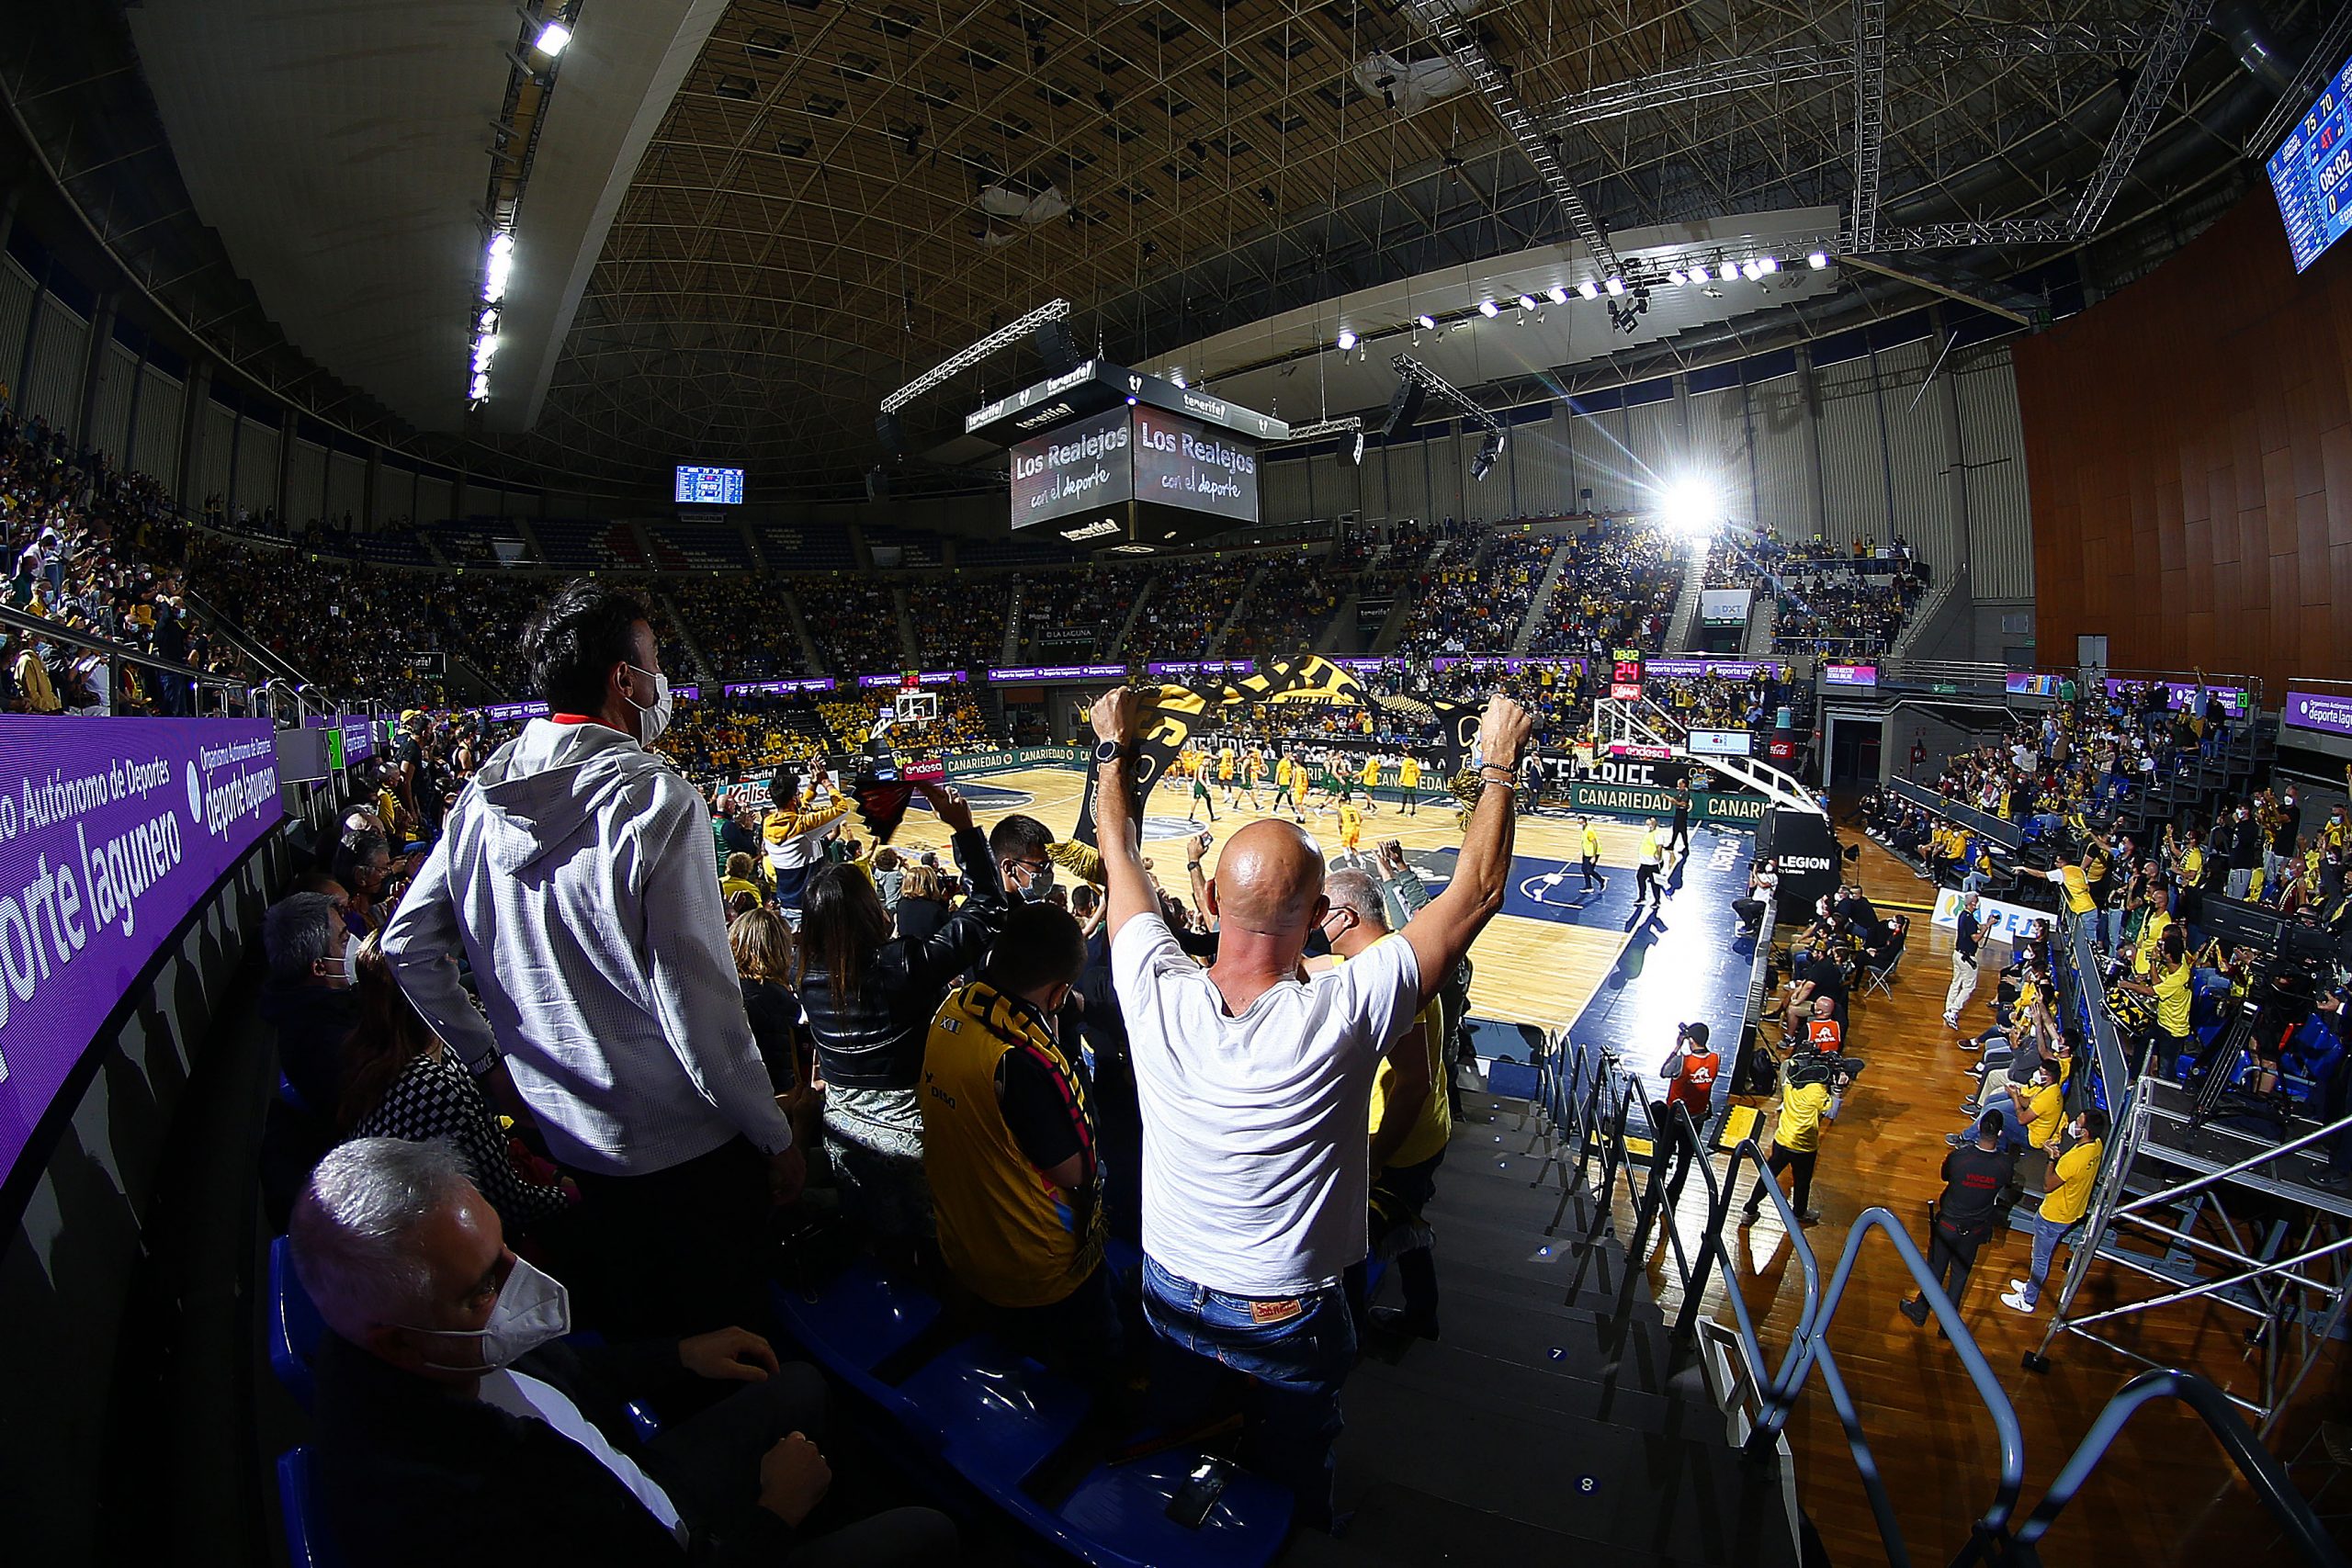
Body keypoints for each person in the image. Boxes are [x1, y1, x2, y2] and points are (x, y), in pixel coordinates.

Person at [1089, 684, 1532, 1530]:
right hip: (1284, 1309)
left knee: (1173, 1446)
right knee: (1292, 1477)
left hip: (1170, 1285)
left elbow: (1119, 857)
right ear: (1319, 917)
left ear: (1209, 905)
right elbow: (1475, 892)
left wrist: (1113, 748)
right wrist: (1498, 761)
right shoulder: (1342, 1012)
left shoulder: (1151, 988)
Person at [382, 580, 800, 1336]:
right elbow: (701, 1015)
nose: (663, 677)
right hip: (685, 1152)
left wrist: (487, 1060)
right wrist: (774, 1136)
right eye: (656, 659)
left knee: (647, 1335)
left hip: (568, 1137)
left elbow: (406, 943)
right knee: (733, 1335)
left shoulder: (482, 794)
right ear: (623, 679)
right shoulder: (659, 801)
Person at [290, 1139, 956, 1568]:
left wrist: (680, 1353)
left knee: (800, 1382)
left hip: (630, 1482)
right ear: (397, 1341)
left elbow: (561, 1381)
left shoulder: (430, 1342)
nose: (519, 1279)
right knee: (926, 1532)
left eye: (504, 1248)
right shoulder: (448, 1514)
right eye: (486, 1283)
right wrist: (774, 1516)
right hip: (673, 1539)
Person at [919, 900, 1119, 1387]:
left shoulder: (951, 1009)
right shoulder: (1022, 1060)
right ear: (1058, 993)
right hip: (1034, 1268)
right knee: (1098, 1359)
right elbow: (1074, 1171)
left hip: (963, 1244)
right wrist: (1068, 1058)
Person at [799, 783, 1004, 1251]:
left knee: (878, 1246)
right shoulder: (901, 965)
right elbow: (988, 909)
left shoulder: (804, 975)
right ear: (869, 910)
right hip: (913, 1140)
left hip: (844, 1140)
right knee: (940, 1248)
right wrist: (964, 829)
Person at [338, 935, 574, 1233]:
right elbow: (512, 1205)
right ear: (429, 990)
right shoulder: (433, 1086)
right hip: (442, 1240)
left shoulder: (390, 1052)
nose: (454, 963)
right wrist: (572, 1195)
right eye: (444, 962)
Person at [1314, 870, 1450, 1341]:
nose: (1312, 924)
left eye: (1318, 913)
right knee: (1406, 1228)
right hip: (1423, 1133)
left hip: (1396, 1141)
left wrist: (1375, 1159)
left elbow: (1413, 1083)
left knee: (1352, 1240)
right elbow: (1316, 968)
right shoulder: (1388, 955)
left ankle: (1353, 1335)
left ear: (1345, 917)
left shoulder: (1389, 978)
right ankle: (1423, 1313)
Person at [1902, 1111, 2020, 1328]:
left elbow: (1945, 1176)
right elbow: (2006, 1184)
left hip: (1947, 1226)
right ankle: (1948, 1327)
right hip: (1975, 1230)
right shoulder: (2005, 1164)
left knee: (1935, 1270)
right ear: (2000, 1133)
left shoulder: (1960, 1158)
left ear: (1979, 1128)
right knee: (1959, 1276)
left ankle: (1920, 1311)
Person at [2003, 1108, 2109, 1314]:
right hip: (2071, 1211)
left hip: (2054, 1215)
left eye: (2078, 1122)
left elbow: (2048, 1185)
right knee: (2040, 1257)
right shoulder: (2096, 1146)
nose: (2074, 1123)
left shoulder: (2073, 1160)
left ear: (2085, 1132)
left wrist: (2051, 1158)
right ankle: (2030, 1287)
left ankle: (2028, 1299)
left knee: (2040, 1259)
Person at [1739, 1045, 1837, 1226]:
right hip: (1804, 1147)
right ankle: (1799, 1213)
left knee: (1768, 1176)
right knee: (1802, 1182)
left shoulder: (1790, 1077)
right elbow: (1831, 1111)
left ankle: (1749, 1209)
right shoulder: (1817, 1091)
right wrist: (1836, 1088)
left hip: (1782, 1140)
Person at [763, 765, 853, 929]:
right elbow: (842, 809)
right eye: (798, 794)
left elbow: (798, 810)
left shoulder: (768, 823)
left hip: (786, 905)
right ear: (793, 799)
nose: (800, 797)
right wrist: (826, 782)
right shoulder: (803, 826)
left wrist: (813, 784)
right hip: (810, 907)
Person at [1943, 888, 1984, 1030]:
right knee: (1969, 986)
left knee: (1956, 982)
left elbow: (1975, 928)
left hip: (1957, 954)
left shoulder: (1963, 915)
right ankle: (1953, 1011)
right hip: (1967, 957)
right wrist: (1986, 928)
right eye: (1976, 901)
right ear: (1972, 903)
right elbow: (1976, 938)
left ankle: (1949, 1007)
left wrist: (1985, 925)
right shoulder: (1970, 919)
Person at [1730, 857, 1775, 932]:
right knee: (1736, 904)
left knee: (1747, 908)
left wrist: (1755, 873)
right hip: (1755, 899)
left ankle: (1749, 927)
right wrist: (1752, 874)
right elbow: (1752, 885)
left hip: (1763, 902)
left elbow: (1763, 885)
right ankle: (1749, 921)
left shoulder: (1773, 877)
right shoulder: (1761, 875)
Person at [1634, 822, 1666, 905]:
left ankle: (1657, 901)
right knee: (1640, 878)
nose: (1647, 826)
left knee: (1654, 883)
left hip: (1652, 864)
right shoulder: (1648, 834)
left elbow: (1660, 846)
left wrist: (1658, 856)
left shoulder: (1658, 834)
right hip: (1644, 863)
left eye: (1649, 824)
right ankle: (1642, 897)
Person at [1579, 816, 1607, 892]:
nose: (1579, 824)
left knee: (1589, 870)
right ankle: (1589, 887)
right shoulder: (1584, 829)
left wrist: (1594, 856)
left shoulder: (1589, 831)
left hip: (1593, 854)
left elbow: (1595, 843)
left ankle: (1602, 881)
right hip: (1587, 853)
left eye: (1580, 823)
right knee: (1584, 870)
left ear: (1584, 822)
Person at [1666, 780, 1693, 858]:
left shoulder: (1686, 792)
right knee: (1675, 829)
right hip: (1678, 812)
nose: (1679, 786)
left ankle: (1686, 847)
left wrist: (1676, 802)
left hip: (1682, 813)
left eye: (1680, 784)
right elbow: (1675, 801)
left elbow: (1683, 803)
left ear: (1684, 784)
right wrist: (1667, 798)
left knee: (1682, 830)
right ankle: (1672, 845)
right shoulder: (1679, 792)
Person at [1396, 751, 1421, 817]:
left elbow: (1403, 772)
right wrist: (1415, 777)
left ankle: (1403, 809)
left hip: (1406, 782)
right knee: (1413, 797)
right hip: (1413, 782)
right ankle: (1413, 811)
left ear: (1407, 754)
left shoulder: (1405, 762)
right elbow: (1418, 772)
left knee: (1405, 796)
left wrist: (1400, 780)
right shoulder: (1414, 762)